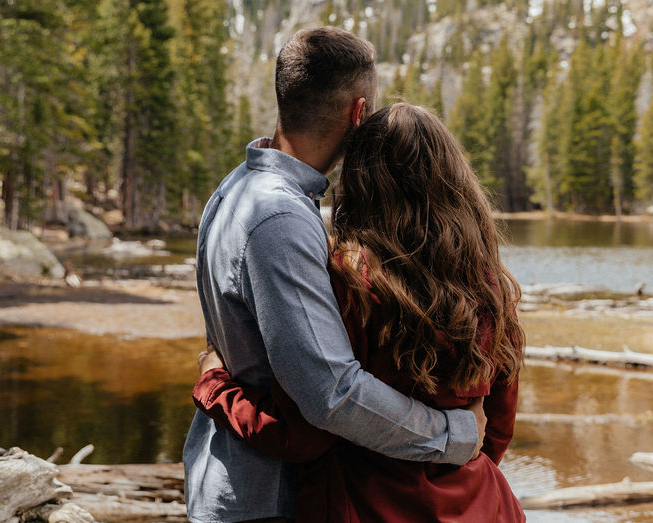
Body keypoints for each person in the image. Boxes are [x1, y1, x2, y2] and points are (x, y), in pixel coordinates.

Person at [183, 28, 487, 523]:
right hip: (267, 499)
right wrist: (456, 435)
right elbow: (332, 394)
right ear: (359, 112)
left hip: (243, 484)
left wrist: (215, 380)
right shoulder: (279, 218)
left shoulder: (238, 188)